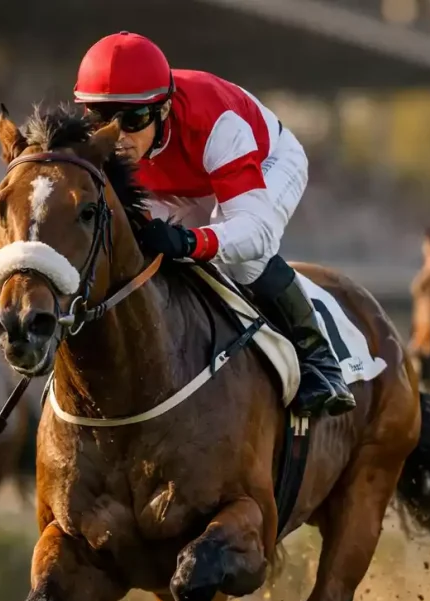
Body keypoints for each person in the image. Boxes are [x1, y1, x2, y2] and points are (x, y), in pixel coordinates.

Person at [72, 32, 355, 418]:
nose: (117, 137)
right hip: (182, 183)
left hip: (265, 161)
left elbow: (255, 232)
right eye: (101, 118)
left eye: (134, 119)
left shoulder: (218, 123)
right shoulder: (97, 141)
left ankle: (319, 361)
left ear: (164, 109)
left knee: (241, 259)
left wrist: (189, 241)